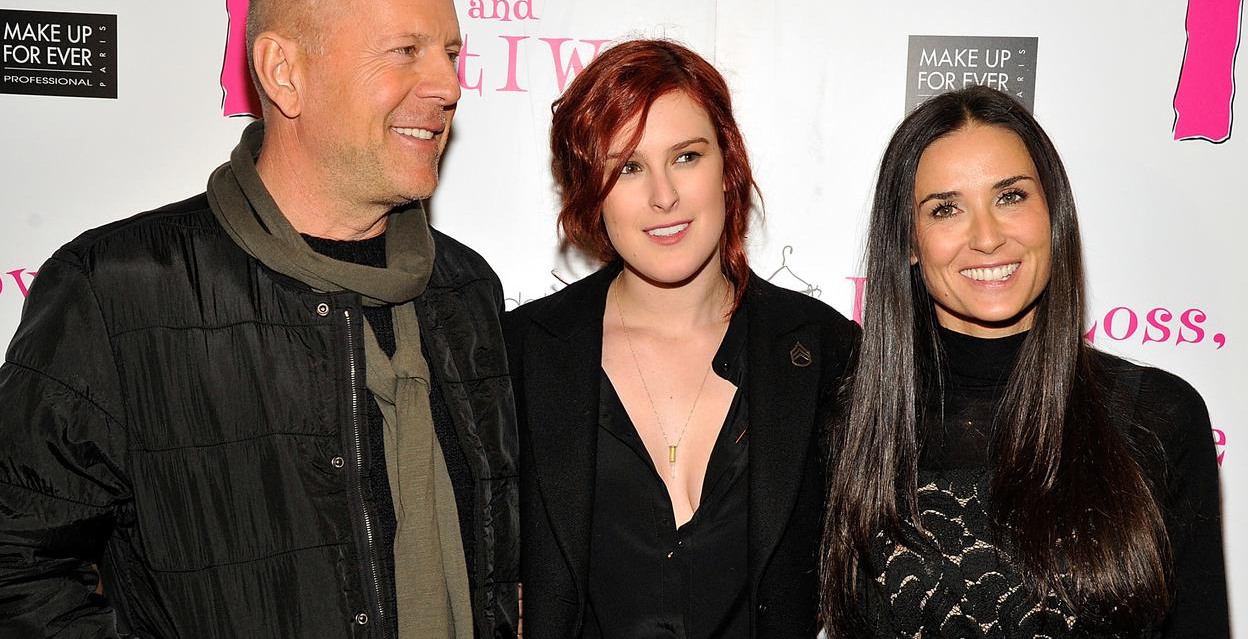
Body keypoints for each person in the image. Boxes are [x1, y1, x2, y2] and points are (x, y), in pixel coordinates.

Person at [0, 0, 517, 638]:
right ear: (284, 72)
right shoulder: (119, 292)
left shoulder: (465, 290)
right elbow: (0, 569)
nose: (446, 86)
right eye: (405, 51)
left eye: (449, 53)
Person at [819, 85, 1229, 638]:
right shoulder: (848, 424)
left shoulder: (1158, 417)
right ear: (909, 243)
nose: (987, 237)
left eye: (1010, 197)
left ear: (1052, 214)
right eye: (946, 209)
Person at [505, 39, 858, 638]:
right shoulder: (520, 355)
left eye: (687, 157)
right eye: (627, 167)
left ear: (728, 166)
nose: (663, 196)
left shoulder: (827, 353)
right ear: (589, 192)